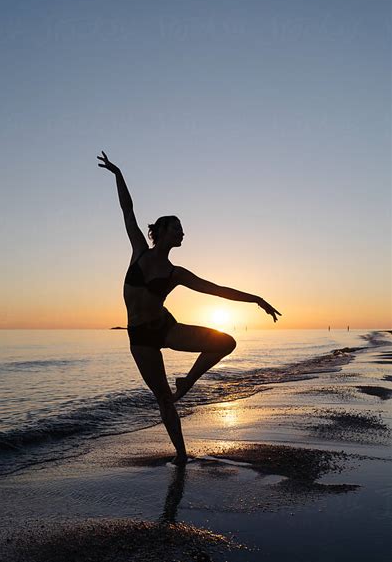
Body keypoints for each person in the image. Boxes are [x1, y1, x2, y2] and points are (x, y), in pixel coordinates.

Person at [97, 151, 281, 464]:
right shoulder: (139, 251)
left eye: (182, 229)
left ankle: (189, 381)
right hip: (139, 336)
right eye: (177, 228)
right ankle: (182, 455)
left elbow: (217, 290)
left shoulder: (175, 273)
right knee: (163, 398)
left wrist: (256, 299)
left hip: (164, 328)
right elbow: (127, 210)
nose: (182, 233)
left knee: (226, 342)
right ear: (162, 231)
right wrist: (118, 174)